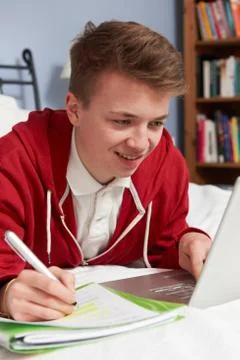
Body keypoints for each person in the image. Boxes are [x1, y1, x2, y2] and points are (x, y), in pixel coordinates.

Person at [0, 20, 211, 321]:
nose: (141, 144)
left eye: (156, 123)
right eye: (122, 121)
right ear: (74, 110)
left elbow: (162, 240)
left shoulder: (167, 163)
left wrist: (186, 244)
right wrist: (6, 294)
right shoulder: (12, 162)